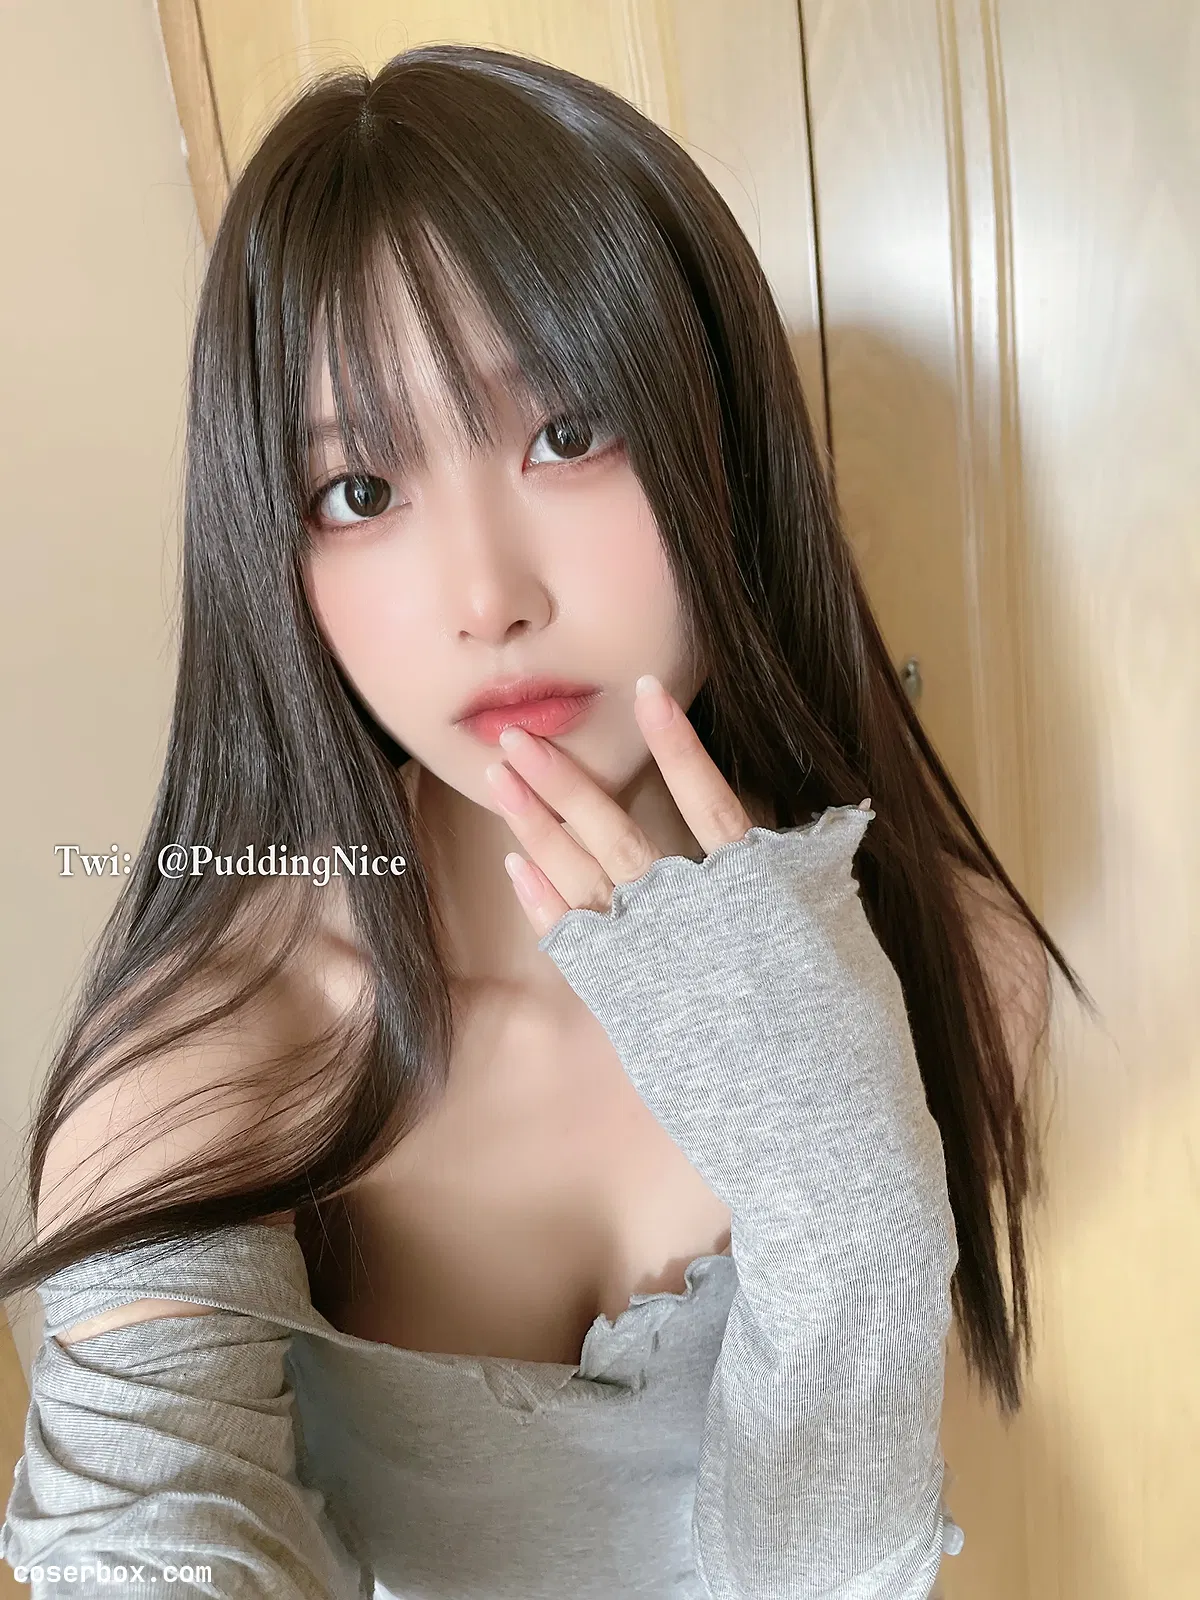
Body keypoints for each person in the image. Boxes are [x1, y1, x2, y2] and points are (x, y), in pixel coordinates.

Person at [0, 41, 1091, 1600]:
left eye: (569, 433)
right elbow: (149, 1537)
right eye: (359, 492)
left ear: (727, 440)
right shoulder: (214, 1053)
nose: (486, 597)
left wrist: (846, 1197)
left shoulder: (958, 965)